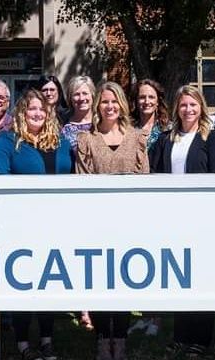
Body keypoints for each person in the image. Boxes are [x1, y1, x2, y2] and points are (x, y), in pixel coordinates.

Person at [0, 89, 74, 360]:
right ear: (22, 113)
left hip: (56, 223)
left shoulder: (59, 142)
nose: (37, 113)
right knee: (23, 282)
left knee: (50, 281)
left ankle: (47, 339)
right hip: (20, 225)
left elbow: (70, 177)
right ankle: (24, 342)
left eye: (41, 109)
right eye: (31, 109)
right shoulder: (7, 141)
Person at [149, 85, 215, 358]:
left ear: (201, 107)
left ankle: (201, 338)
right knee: (179, 278)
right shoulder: (166, 139)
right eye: (183, 105)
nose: (188, 109)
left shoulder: (211, 138)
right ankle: (180, 336)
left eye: (193, 105)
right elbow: (155, 174)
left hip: (202, 219)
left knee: (202, 278)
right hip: (172, 219)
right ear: (176, 108)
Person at [73, 82, 148, 360]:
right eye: (104, 102)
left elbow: (145, 182)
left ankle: (121, 337)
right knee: (101, 282)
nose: (109, 106)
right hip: (97, 223)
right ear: (97, 106)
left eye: (114, 101)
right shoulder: (86, 139)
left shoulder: (137, 137)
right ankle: (103, 337)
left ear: (122, 105)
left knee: (125, 281)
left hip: (130, 223)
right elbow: (81, 181)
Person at [132, 79, 170, 152]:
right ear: (136, 101)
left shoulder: (168, 128)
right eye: (142, 97)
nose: (147, 101)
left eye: (151, 97)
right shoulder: (128, 128)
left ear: (158, 102)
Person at [62, 76, 96, 151]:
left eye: (85, 93)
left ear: (92, 95)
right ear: (70, 98)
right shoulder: (62, 124)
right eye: (76, 94)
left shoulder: (102, 122)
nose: (81, 98)